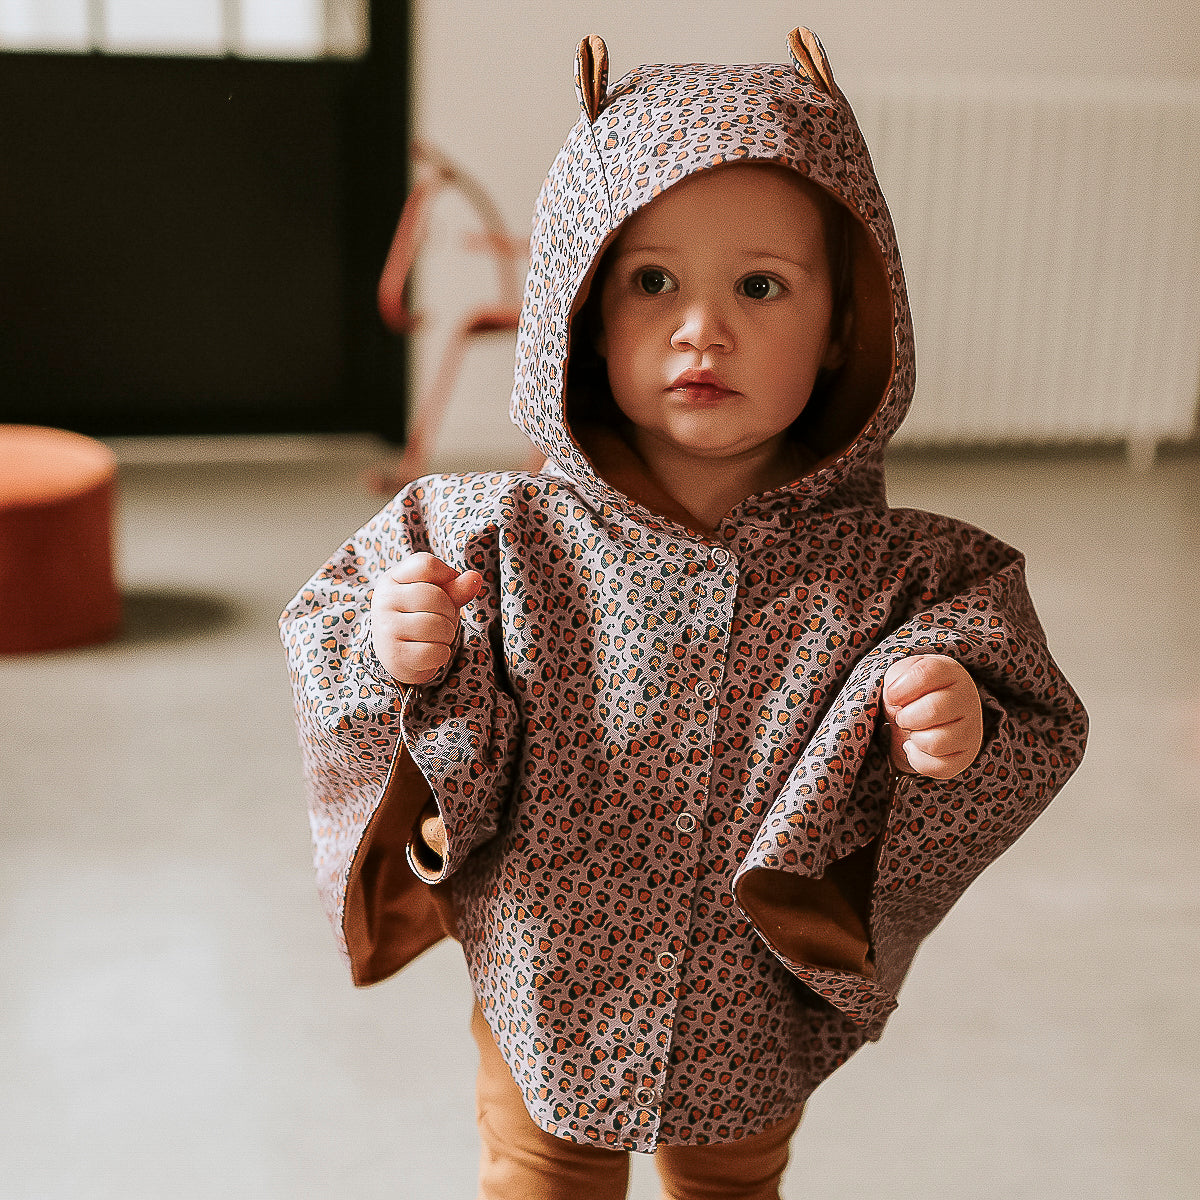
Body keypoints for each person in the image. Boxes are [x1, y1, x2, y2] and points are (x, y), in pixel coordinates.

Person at [281, 28, 1088, 1200]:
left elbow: (1017, 710)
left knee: (732, 1185)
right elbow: (340, 635)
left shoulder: (907, 580)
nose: (701, 329)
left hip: (745, 1011)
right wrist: (397, 644)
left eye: (760, 286)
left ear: (847, 327)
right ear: (582, 311)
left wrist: (954, 728)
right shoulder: (484, 538)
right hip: (548, 988)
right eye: (652, 282)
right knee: (538, 1174)